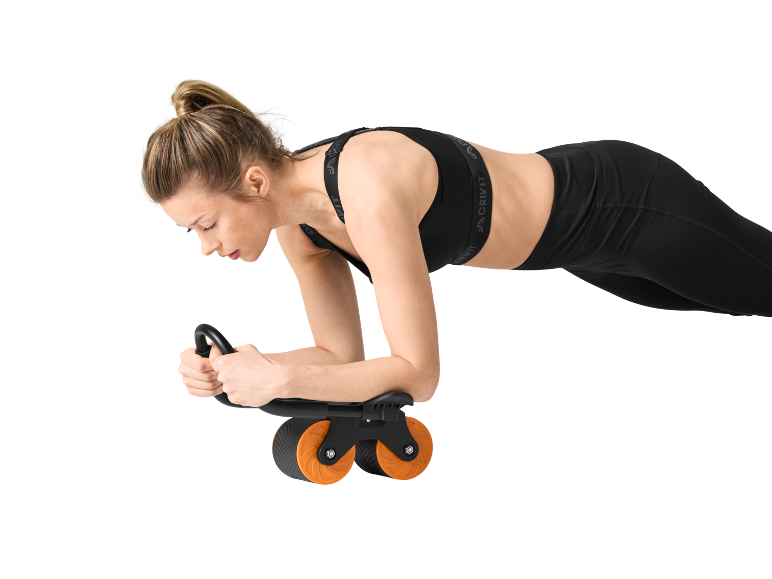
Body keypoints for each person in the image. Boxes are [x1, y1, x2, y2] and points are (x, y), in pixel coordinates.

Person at [143, 80, 772, 408]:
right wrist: (236, 371)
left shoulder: (365, 185)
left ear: (253, 182)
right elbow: (341, 354)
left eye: (206, 224)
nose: (205, 247)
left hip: (625, 205)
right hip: (586, 254)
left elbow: (419, 375)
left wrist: (279, 379)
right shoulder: (298, 226)